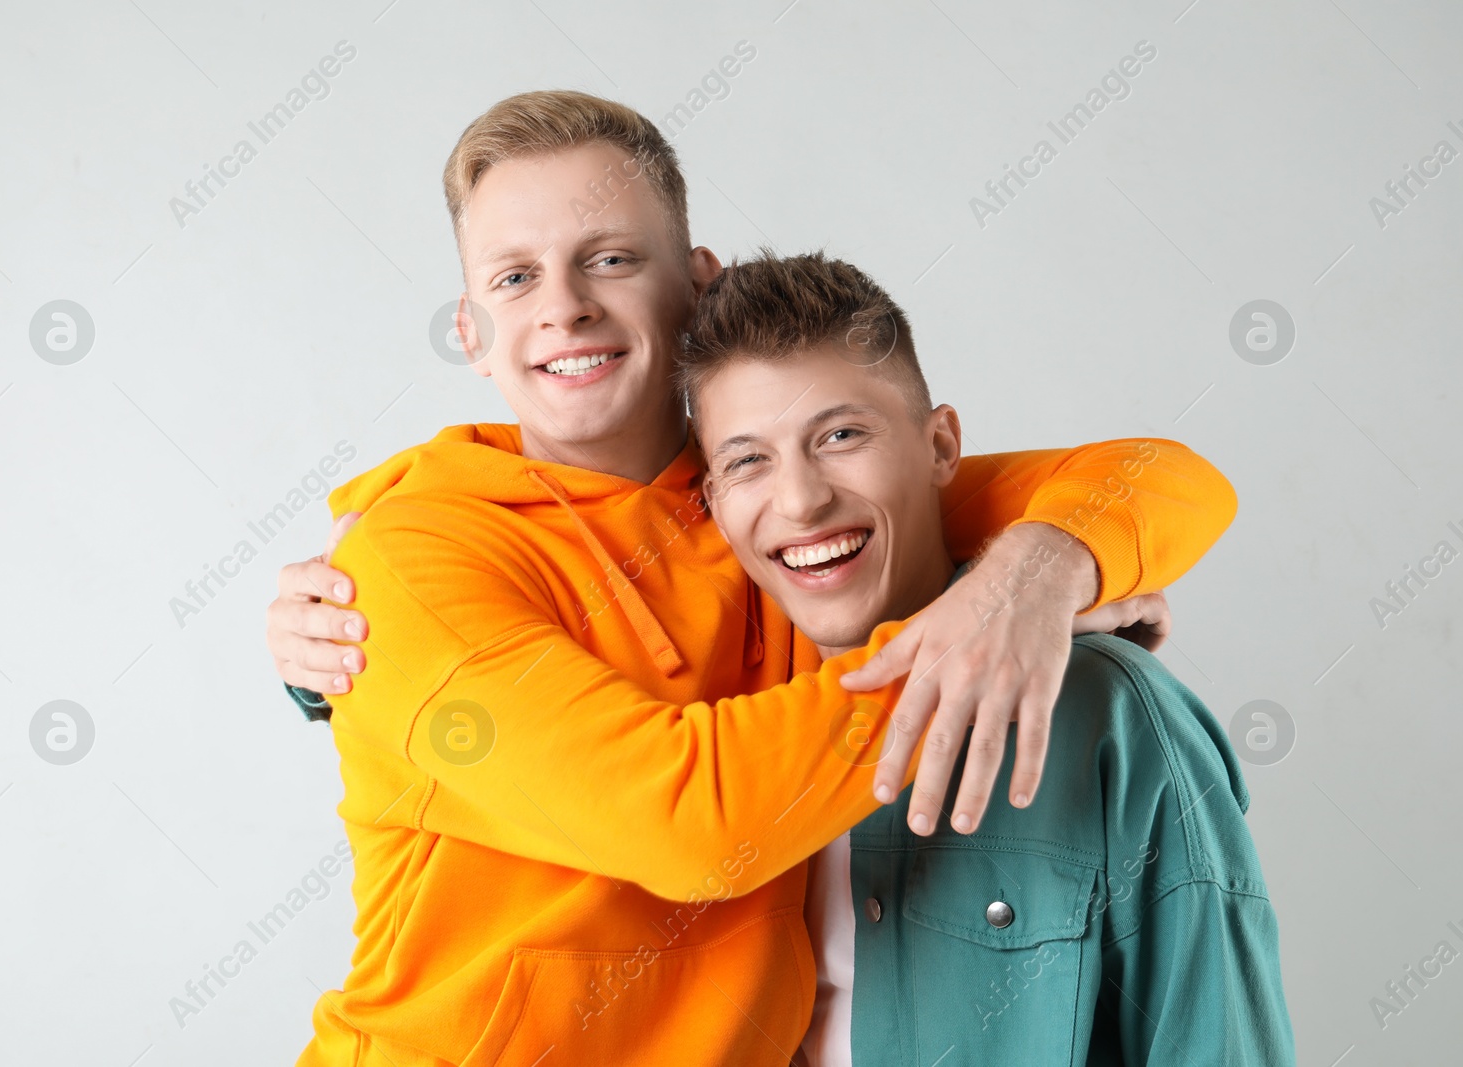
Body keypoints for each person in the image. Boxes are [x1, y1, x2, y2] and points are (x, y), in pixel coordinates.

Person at [272, 91, 1239, 1065]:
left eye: (609, 258)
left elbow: (1157, 479)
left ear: (697, 283)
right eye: (515, 277)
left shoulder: (769, 500)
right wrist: (979, 626)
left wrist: (1044, 566)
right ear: (471, 334)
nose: (564, 305)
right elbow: (693, 823)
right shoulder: (403, 561)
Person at [679, 251, 1294, 1064]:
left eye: (840, 434)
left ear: (941, 445)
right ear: (714, 503)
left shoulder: (1116, 716)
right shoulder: (707, 721)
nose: (800, 499)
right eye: (747, 459)